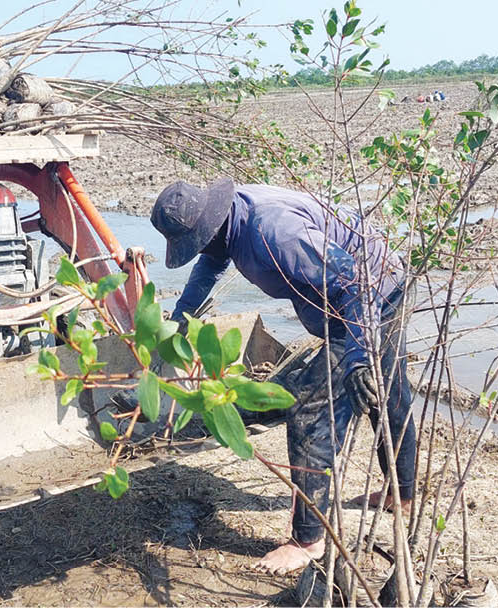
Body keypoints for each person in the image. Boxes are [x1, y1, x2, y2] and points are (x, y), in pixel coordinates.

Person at [150, 179, 416, 574]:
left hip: (373, 298)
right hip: (365, 292)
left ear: (210, 225)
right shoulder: (232, 219)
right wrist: (182, 318)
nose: (201, 251)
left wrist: (360, 356)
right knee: (387, 392)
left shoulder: (273, 234)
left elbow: (354, 283)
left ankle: (308, 541)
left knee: (312, 412)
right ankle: (403, 494)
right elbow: (211, 262)